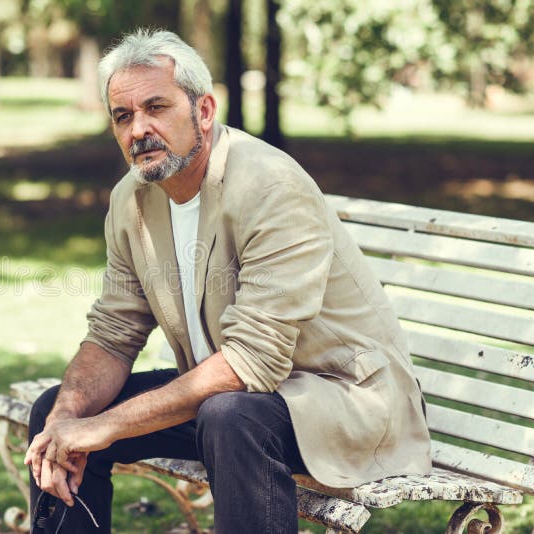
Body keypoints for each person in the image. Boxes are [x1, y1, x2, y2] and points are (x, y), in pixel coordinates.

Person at [24, 28, 431, 534]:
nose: (139, 130)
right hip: (233, 399)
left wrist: (102, 427)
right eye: (123, 116)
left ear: (204, 111)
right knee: (53, 410)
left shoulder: (269, 187)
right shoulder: (132, 200)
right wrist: (68, 420)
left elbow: (252, 361)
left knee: (229, 416)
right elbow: (113, 333)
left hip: (346, 404)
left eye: (157, 107)